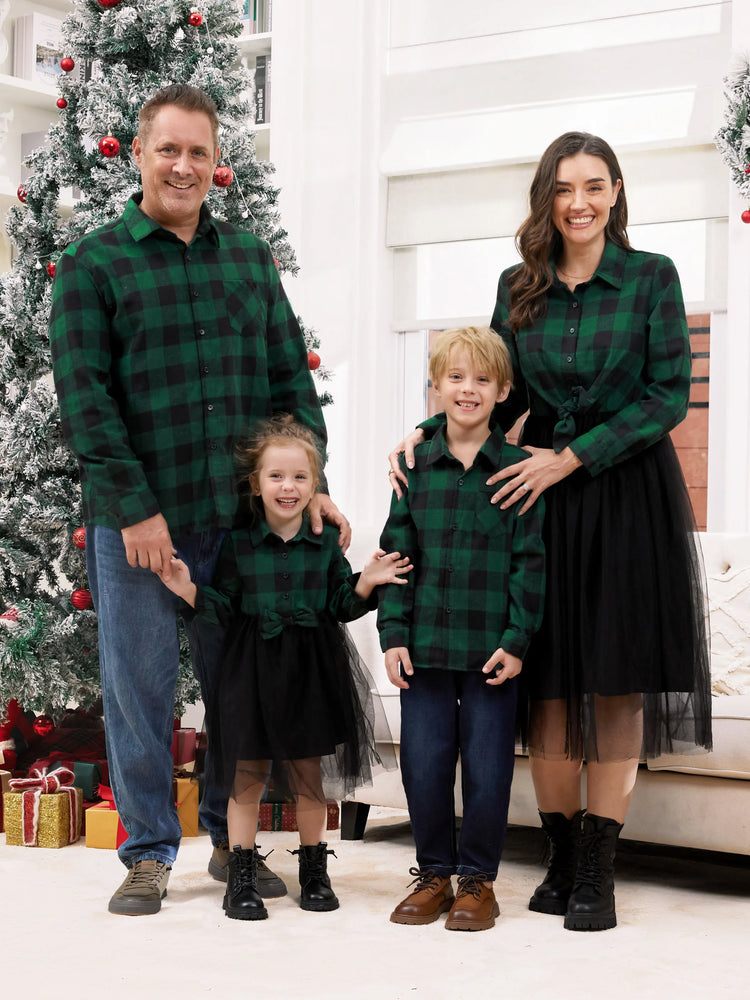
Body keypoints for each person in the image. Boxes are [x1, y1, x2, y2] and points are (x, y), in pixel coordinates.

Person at [389, 132, 712, 932]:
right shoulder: (518, 285)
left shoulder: (651, 279)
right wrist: (424, 435)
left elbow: (668, 396)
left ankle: (599, 869)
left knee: (610, 684)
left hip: (624, 498)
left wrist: (572, 458)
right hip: (537, 501)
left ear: (617, 191)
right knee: (549, 685)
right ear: (546, 197)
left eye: (594, 186)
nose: (580, 202)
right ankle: (561, 855)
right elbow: (495, 391)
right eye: (565, 188)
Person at [49, 84, 350, 916]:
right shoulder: (92, 266)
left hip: (244, 524)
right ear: (138, 153)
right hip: (141, 523)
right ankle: (147, 852)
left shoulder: (248, 259)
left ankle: (231, 842)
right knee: (140, 690)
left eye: (199, 153)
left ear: (217, 165)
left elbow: (292, 377)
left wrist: (310, 484)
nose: (184, 165)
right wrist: (137, 512)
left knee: (240, 689)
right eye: (169, 149)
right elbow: (87, 401)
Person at [158, 414, 407, 920]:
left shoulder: (324, 545)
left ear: (315, 484)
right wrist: (188, 588)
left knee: (308, 777)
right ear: (256, 483)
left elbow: (340, 604)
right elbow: (223, 608)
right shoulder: (240, 543)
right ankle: (241, 874)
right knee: (246, 777)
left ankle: (314, 871)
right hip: (250, 675)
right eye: (276, 476)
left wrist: (367, 580)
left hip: (311, 673)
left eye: (299, 477)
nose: (287, 487)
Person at [379, 326, 545, 932]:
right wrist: (392, 635)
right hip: (422, 648)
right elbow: (395, 555)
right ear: (436, 384)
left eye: (481, 379)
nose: (467, 389)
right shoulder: (413, 466)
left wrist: (517, 640)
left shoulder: (521, 471)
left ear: (503, 390)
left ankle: (478, 880)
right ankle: (432, 875)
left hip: (491, 651)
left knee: (487, 765)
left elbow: (531, 564)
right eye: (456, 377)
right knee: (422, 762)